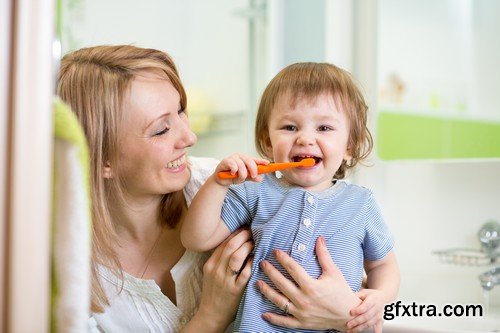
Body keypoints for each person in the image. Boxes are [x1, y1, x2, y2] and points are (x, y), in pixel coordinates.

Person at [57, 46, 364, 332]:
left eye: (181, 111)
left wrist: (347, 313)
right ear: (101, 159)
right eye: (162, 129)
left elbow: (363, 292)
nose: (189, 137)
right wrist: (211, 317)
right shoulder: (59, 268)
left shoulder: (231, 188)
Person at [182, 62, 400, 332]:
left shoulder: (361, 204)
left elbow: (383, 266)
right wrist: (217, 183)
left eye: (324, 128)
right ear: (268, 141)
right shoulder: (254, 190)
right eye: (289, 127)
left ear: (350, 146)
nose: (305, 139)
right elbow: (196, 238)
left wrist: (380, 297)